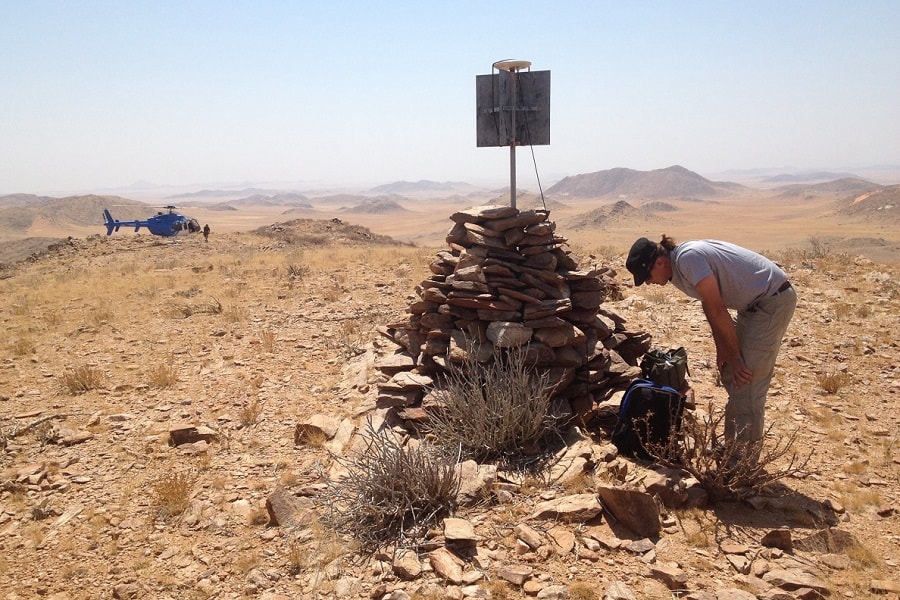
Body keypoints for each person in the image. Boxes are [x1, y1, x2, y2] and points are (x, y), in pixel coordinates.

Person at [626, 235, 796, 464]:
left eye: (646, 277)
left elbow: (716, 308)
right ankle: (733, 444)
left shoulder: (688, 259)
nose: (648, 283)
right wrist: (723, 350)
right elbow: (711, 308)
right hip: (752, 306)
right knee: (732, 375)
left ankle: (744, 463)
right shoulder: (675, 271)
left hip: (772, 301)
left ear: (658, 262)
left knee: (748, 380)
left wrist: (735, 355)